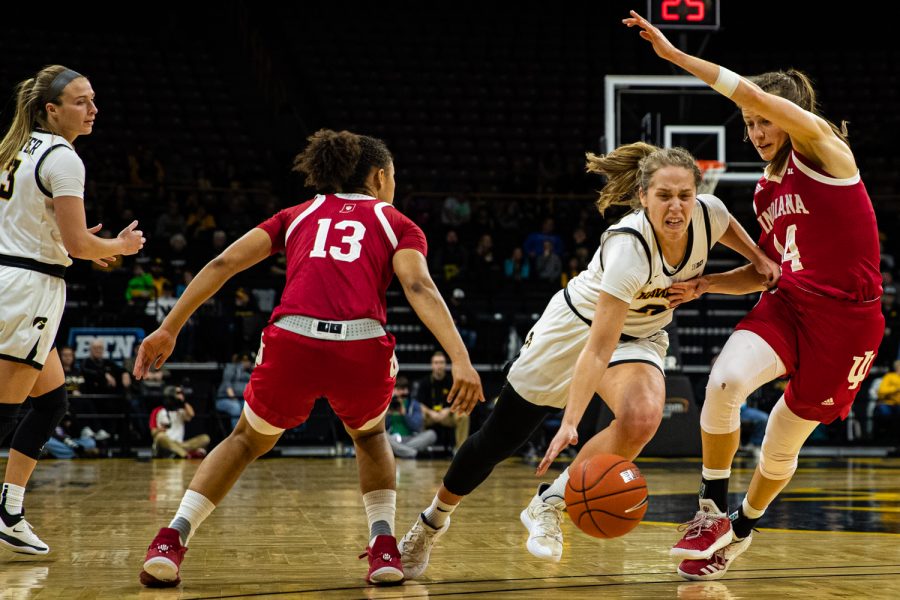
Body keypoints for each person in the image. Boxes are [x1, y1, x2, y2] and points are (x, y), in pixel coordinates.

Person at [399, 141, 779, 578]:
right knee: (498, 441)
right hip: (575, 330)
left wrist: (749, 261)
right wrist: (570, 422)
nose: (676, 207)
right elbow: (597, 348)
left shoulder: (708, 212)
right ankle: (431, 523)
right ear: (642, 196)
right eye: (663, 196)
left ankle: (549, 503)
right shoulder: (629, 250)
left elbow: (725, 224)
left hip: (639, 334)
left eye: (684, 196)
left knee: (641, 418)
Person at [134, 129, 484, 588]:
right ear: (379, 177)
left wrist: (170, 326)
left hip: (292, 339)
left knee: (244, 441)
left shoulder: (296, 214)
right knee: (371, 435)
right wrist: (460, 357)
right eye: (393, 176)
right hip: (359, 344)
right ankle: (383, 548)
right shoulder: (396, 221)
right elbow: (417, 286)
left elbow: (223, 264)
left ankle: (171, 539)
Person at [623, 11, 885, 581]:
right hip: (791, 304)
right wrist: (708, 283)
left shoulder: (826, 151)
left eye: (762, 120)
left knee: (779, 445)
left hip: (848, 325)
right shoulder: (767, 190)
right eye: (747, 123)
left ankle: (741, 528)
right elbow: (767, 270)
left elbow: (744, 87)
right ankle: (709, 511)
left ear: (790, 117)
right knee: (724, 383)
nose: (755, 133)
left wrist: (678, 58)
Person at [0, 65, 144, 555]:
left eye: (93, 99)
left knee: (51, 402)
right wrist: (120, 245)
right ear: (51, 110)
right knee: (4, 413)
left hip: (13, 279)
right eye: (81, 101)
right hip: (27, 293)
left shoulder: (14, 149)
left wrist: (84, 246)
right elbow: (79, 242)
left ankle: (9, 508)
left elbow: (58, 236)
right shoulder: (64, 158)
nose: (93, 109)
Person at [415, 351, 470, 451]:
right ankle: (419, 448)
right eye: (436, 363)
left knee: (463, 416)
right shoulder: (425, 382)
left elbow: (459, 400)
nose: (439, 366)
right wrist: (431, 413)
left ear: (445, 365)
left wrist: (448, 410)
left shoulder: (452, 381)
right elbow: (419, 403)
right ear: (432, 365)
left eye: (441, 362)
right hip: (430, 416)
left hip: (447, 415)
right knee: (418, 416)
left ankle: (460, 450)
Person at [149, 385, 210, 459]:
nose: (181, 395)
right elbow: (153, 433)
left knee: (205, 438)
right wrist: (160, 429)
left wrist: (183, 401)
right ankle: (185, 454)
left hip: (180, 444)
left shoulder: (181, 411)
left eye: (181, 393)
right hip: (165, 443)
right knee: (160, 436)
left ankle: (177, 452)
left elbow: (191, 414)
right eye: (178, 393)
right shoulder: (158, 411)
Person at [387, 376, 437, 459]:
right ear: (393, 390)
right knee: (383, 437)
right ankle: (412, 453)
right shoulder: (387, 404)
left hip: (411, 438)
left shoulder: (414, 405)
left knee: (432, 434)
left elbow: (417, 427)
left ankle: (398, 451)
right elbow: (383, 428)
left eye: (403, 389)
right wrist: (388, 414)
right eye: (398, 389)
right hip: (393, 438)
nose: (400, 393)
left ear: (407, 391)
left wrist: (405, 414)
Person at [215, 353, 253, 429]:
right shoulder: (230, 368)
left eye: (247, 361)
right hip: (223, 399)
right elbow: (227, 383)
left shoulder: (245, 373)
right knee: (235, 407)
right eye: (243, 361)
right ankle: (238, 435)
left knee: (249, 407)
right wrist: (233, 397)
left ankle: (248, 434)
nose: (246, 363)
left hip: (240, 399)